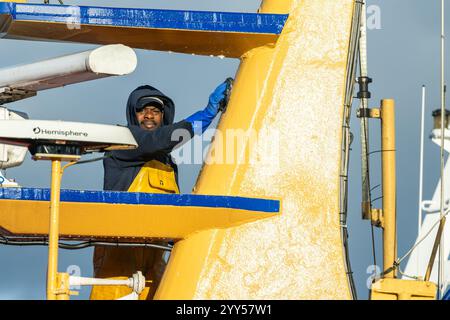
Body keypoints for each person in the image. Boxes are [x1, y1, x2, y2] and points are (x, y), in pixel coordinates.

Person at [90, 80, 231, 300]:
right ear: (132, 115)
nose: (149, 115)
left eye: (155, 111)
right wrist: (206, 114)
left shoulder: (167, 161)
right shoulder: (121, 141)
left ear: (163, 118)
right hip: (118, 255)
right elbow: (157, 140)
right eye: (143, 110)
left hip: (155, 257)